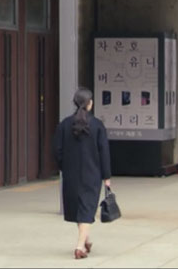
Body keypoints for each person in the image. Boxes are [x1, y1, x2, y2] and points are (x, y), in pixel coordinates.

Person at [54, 88, 112, 260]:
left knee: (80, 208)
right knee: (87, 208)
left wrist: (63, 166)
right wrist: (106, 177)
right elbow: (104, 152)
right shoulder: (97, 125)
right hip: (92, 174)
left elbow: (57, 149)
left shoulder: (65, 124)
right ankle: (80, 247)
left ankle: (86, 239)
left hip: (71, 174)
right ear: (90, 103)